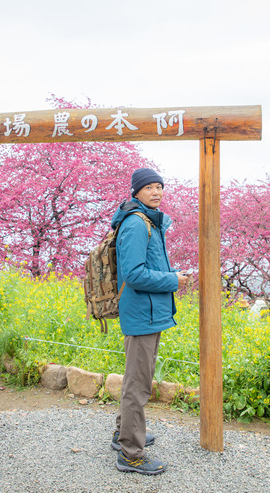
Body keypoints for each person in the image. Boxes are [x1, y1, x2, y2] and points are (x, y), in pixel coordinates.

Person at [109, 167, 189, 475]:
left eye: (159, 187)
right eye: (149, 187)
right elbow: (134, 274)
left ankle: (122, 434)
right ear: (136, 192)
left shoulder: (149, 222)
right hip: (141, 313)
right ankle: (130, 453)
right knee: (138, 386)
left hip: (149, 313)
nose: (156, 192)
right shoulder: (136, 224)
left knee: (136, 380)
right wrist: (173, 280)